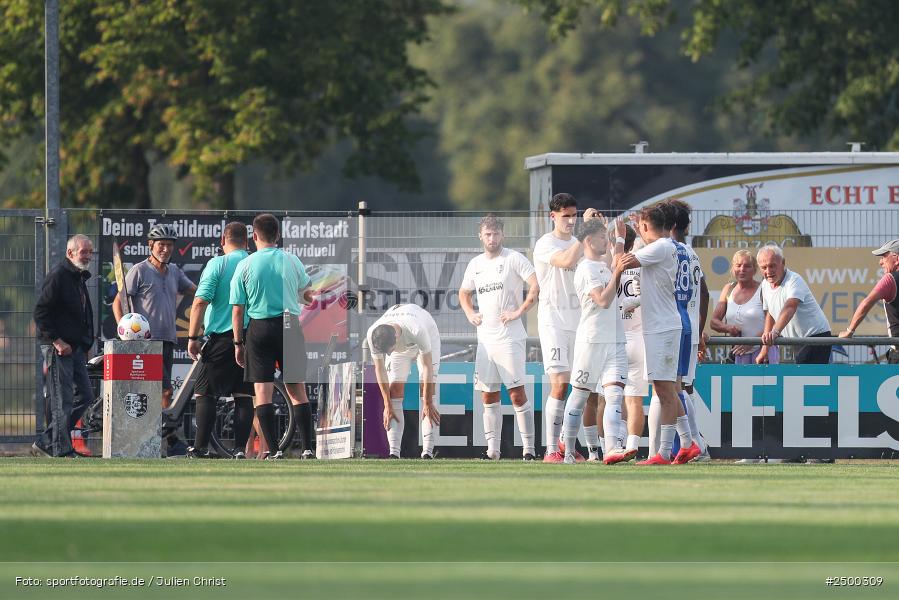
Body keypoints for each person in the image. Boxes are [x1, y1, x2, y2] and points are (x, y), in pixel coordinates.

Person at [230, 213, 315, 460]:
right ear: (278, 236)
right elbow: (307, 294)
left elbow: (238, 309)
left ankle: (273, 450)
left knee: (262, 392)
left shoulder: (245, 264)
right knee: (297, 389)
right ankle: (307, 449)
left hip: (259, 326)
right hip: (289, 324)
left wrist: (238, 343)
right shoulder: (291, 260)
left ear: (254, 236)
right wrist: (304, 297)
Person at [619, 203, 695, 465]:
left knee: (664, 390)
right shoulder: (670, 246)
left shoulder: (660, 246)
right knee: (666, 388)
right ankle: (687, 443)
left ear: (644, 226)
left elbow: (625, 260)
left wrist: (620, 238)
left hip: (662, 327)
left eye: (641, 226)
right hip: (664, 324)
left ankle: (664, 452)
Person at [460, 214, 540, 460]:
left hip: (509, 338)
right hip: (485, 340)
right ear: (480, 236)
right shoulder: (475, 264)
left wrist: (519, 311)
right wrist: (469, 312)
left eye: (495, 234)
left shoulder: (514, 258)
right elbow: (464, 292)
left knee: (516, 392)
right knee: (488, 395)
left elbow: (535, 286)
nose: (492, 238)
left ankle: (529, 449)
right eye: (487, 234)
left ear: (502, 235)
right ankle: (492, 450)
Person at [112, 223, 197, 455]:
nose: (166, 249)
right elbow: (118, 303)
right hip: (144, 343)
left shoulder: (175, 272)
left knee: (162, 392)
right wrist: (125, 329)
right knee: (156, 392)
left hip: (167, 340)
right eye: (161, 245)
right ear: (151, 245)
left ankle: (162, 440)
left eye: (169, 245)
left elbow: (195, 292)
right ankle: (166, 442)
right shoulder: (139, 270)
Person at [533, 193, 600, 462]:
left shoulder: (579, 242)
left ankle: (566, 444)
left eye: (574, 215)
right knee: (560, 384)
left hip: (580, 322)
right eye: (566, 216)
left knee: (581, 386)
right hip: (553, 321)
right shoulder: (544, 244)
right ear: (553, 217)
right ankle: (550, 449)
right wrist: (585, 231)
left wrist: (598, 229)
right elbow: (566, 261)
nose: (571, 221)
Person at [185, 222, 255, 459]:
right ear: (247, 242)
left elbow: (200, 302)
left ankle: (200, 447)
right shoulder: (254, 263)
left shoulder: (218, 263)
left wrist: (193, 337)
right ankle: (239, 450)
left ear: (222, 241)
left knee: (205, 392)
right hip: (251, 336)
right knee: (243, 396)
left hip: (223, 337)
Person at [562, 218, 628, 464]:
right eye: (603, 237)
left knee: (614, 395)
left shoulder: (602, 265)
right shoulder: (585, 268)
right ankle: (567, 450)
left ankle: (611, 449)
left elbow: (615, 263)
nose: (606, 241)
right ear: (589, 240)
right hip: (591, 341)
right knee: (579, 396)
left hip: (615, 339)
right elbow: (602, 299)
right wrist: (618, 271)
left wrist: (620, 239)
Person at [32, 234, 95, 457]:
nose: (88, 256)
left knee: (86, 395)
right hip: (59, 348)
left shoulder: (78, 277)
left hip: (75, 348)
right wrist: (57, 341)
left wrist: (85, 342)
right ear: (70, 253)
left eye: (90, 252)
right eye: (84, 252)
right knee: (62, 399)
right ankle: (61, 450)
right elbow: (40, 312)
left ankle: (47, 440)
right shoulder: (58, 276)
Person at [367, 303, 441, 459]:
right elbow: (379, 370)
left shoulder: (417, 329)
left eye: (390, 349)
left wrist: (427, 403)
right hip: (403, 344)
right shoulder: (372, 334)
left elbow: (427, 367)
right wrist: (387, 405)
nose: (389, 353)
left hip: (426, 336)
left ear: (396, 337)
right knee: (394, 391)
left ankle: (427, 452)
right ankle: (394, 452)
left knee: (427, 390)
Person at [666, 199, 709, 463]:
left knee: (676, 389)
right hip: (691, 328)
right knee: (683, 388)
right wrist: (701, 330)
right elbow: (704, 292)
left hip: (675, 327)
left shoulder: (670, 251)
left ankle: (696, 444)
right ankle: (693, 445)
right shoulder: (691, 253)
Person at [757, 244, 832, 364]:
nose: (768, 271)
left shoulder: (794, 280)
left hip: (816, 337)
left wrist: (775, 332)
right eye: (763, 267)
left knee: (812, 379)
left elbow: (790, 306)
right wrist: (765, 348)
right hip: (798, 341)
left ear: (783, 263)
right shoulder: (765, 285)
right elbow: (770, 315)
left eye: (772, 266)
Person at [710, 250, 780, 365]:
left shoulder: (764, 289)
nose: (742, 269)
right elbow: (714, 322)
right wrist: (728, 328)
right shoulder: (728, 289)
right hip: (738, 353)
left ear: (755, 269)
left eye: (747, 266)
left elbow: (775, 322)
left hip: (763, 352)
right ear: (733, 268)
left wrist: (752, 342)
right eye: (738, 265)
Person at [839, 239, 899, 364]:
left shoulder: (890, 279)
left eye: (884, 256)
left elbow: (867, 303)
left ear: (896, 259)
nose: (880, 262)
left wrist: (849, 331)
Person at [615, 224, 646, 462]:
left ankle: (612, 444)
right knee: (635, 398)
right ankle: (633, 444)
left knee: (609, 397)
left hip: (614, 337)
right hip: (638, 336)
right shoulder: (641, 267)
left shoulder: (607, 266)